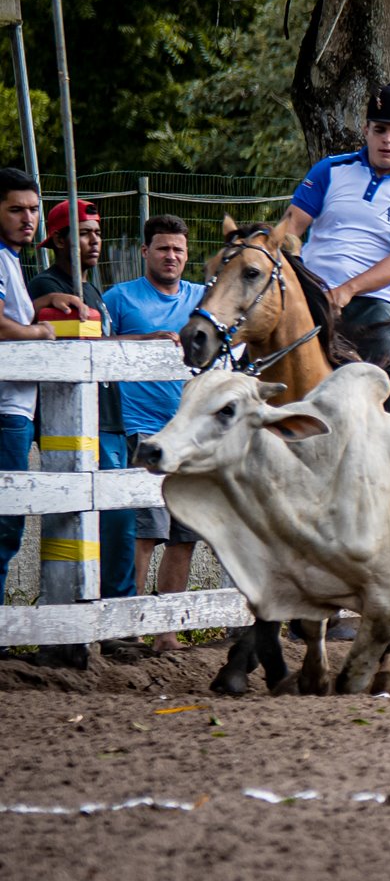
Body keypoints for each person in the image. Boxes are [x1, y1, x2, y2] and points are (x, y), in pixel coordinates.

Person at [281, 82, 390, 419]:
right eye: (380, 129)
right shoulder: (329, 170)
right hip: (310, 298)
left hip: (374, 311)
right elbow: (290, 227)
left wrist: (347, 290)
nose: (387, 139)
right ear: (366, 130)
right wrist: (290, 264)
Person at [103, 214, 206, 651]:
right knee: (145, 532)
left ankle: (165, 631)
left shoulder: (204, 298)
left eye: (179, 250)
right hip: (141, 430)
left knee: (184, 536)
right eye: (163, 248)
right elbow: (93, 348)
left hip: (191, 435)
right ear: (145, 252)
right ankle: (130, 625)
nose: (171, 256)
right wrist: (143, 341)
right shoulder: (120, 297)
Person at [28, 198, 136, 602]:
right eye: (85, 234)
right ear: (58, 240)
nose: (96, 242)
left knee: (119, 516)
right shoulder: (47, 287)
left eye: (98, 233)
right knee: (108, 518)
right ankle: (96, 607)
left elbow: (104, 344)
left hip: (109, 416)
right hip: (78, 421)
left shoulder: (91, 288)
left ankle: (111, 607)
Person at [0, 169, 88, 603]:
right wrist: (39, 332)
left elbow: (9, 312)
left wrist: (40, 306)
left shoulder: (10, 258)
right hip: (6, 409)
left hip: (16, 407)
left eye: (33, 209)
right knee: (4, 526)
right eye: (16, 209)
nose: (27, 218)